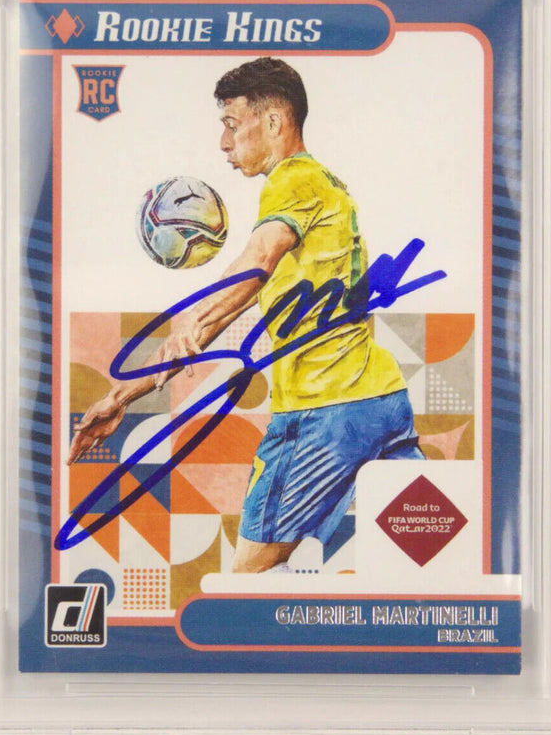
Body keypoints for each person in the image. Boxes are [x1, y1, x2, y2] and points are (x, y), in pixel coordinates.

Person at [68, 57, 424, 573]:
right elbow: (220, 315)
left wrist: (191, 321)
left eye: (232, 125)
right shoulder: (326, 186)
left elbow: (255, 263)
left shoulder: (293, 180)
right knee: (423, 559)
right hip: (383, 402)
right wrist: (122, 395)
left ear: (274, 121)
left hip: (323, 412)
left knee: (247, 581)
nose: (224, 143)